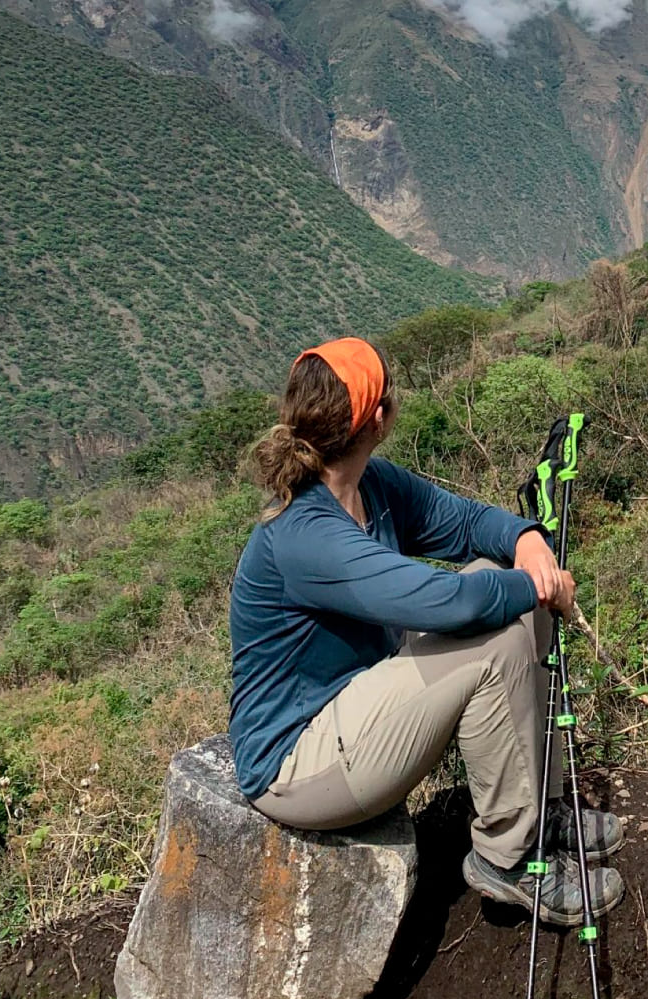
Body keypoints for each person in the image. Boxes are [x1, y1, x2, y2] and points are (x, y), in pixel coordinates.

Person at [228, 337, 624, 925]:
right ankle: (508, 861)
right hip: (298, 762)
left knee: (502, 574)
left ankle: (542, 806)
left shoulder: (373, 487)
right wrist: (541, 585)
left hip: (361, 702)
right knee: (497, 633)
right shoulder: (304, 534)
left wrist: (526, 540)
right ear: (379, 419)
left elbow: (462, 521)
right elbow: (445, 602)